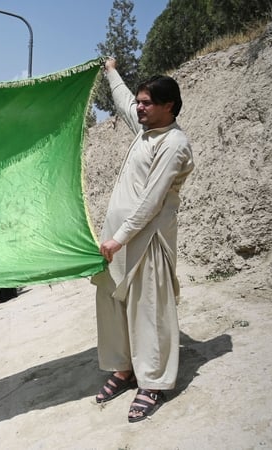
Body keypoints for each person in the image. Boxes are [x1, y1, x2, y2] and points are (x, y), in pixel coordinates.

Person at [92, 58, 195, 423]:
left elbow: (152, 201)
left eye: (147, 103)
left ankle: (152, 382)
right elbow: (122, 100)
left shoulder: (173, 143)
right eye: (139, 101)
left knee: (147, 310)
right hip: (117, 241)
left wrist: (119, 239)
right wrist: (110, 71)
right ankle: (124, 369)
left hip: (147, 240)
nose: (139, 107)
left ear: (169, 105)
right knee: (112, 305)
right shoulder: (144, 130)